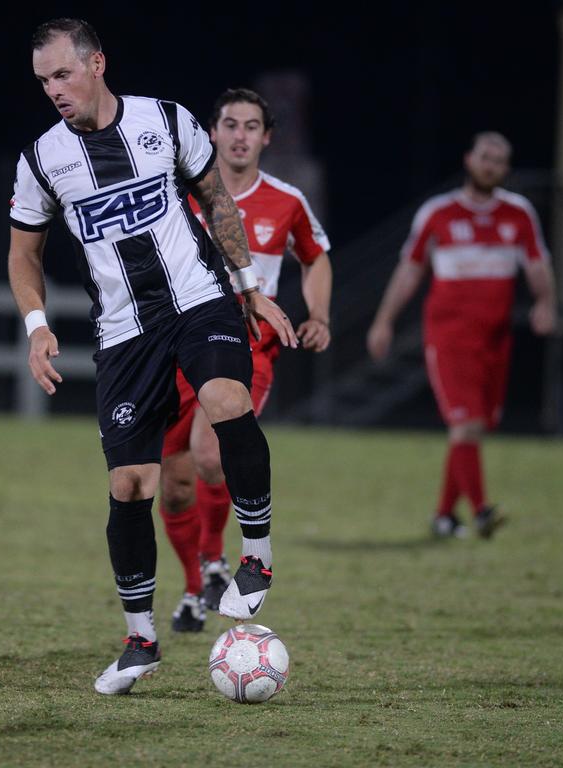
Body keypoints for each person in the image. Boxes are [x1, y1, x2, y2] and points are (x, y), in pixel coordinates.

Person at [8, 19, 296, 695]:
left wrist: (249, 286)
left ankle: (256, 560)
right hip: (121, 335)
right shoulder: (41, 161)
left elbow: (216, 200)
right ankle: (140, 641)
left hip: (199, 300)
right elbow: (23, 253)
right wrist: (36, 325)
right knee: (130, 485)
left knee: (227, 400)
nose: (54, 89)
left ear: (97, 63)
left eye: (62, 74)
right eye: (43, 80)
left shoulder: (164, 121)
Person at [160, 88, 333, 633]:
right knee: (175, 483)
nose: (239, 135)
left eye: (250, 126)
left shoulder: (285, 201)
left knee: (211, 454)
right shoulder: (178, 194)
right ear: (211, 133)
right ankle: (196, 585)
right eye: (230, 124)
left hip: (248, 343)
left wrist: (319, 314)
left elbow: (316, 257)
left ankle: (217, 560)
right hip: (175, 344)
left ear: (266, 137)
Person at [367, 132, 556, 538]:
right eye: (486, 157)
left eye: (500, 160)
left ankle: (444, 517)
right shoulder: (438, 212)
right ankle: (483, 511)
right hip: (450, 336)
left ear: (505, 169)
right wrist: (385, 320)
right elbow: (410, 270)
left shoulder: (518, 213)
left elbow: (538, 263)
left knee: (472, 428)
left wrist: (545, 303)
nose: (491, 165)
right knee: (465, 424)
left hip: (496, 338)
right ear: (470, 160)